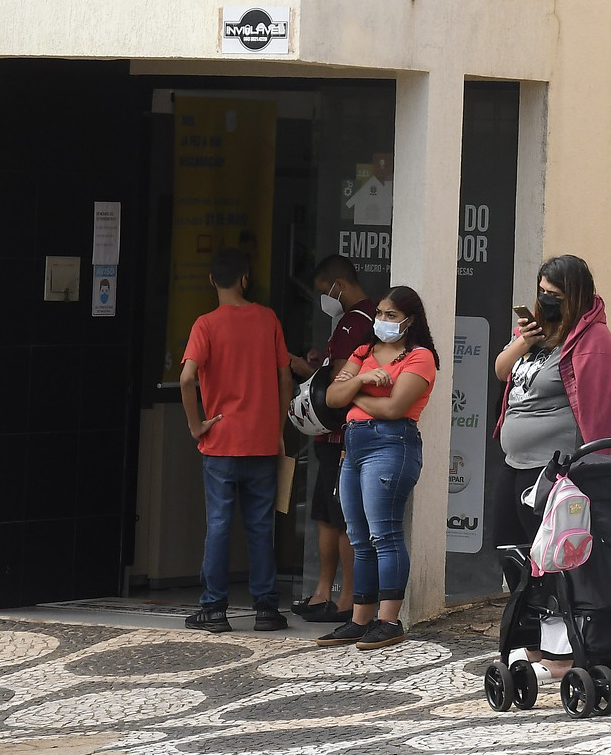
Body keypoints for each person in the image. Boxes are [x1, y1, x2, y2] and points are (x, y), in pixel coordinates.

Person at [491, 254, 611, 679]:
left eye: (554, 294)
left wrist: (597, 468)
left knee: (552, 559)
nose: (545, 301)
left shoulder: (592, 339)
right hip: (515, 461)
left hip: (554, 469)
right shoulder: (536, 332)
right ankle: (533, 644)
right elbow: (501, 370)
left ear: (575, 295)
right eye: (541, 293)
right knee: (511, 550)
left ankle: (562, 653)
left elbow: (604, 404)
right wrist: (524, 341)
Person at [178, 247, 295, 634]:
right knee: (260, 527)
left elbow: (187, 377)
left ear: (212, 280)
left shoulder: (205, 325)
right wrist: (277, 430)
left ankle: (214, 609)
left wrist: (196, 425)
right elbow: (284, 378)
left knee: (219, 525)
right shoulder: (268, 319)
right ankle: (266, 608)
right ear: (246, 278)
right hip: (261, 441)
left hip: (220, 442)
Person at [318, 286, 438, 651]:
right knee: (358, 535)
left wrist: (353, 392)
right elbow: (330, 397)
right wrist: (362, 379)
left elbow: (394, 409)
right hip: (353, 446)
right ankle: (360, 620)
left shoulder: (419, 357)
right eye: (380, 313)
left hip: (391, 443)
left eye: (391, 315)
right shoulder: (364, 351)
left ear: (409, 321)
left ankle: (389, 621)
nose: (382, 320)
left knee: (384, 533)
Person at [288, 255, 373, 623]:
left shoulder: (355, 321)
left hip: (342, 434)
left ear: (339, 285)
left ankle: (346, 598)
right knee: (326, 515)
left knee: (341, 518)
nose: (325, 299)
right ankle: (324, 592)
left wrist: (303, 367)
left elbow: (337, 383)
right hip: (334, 436)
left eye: (326, 291)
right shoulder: (358, 319)